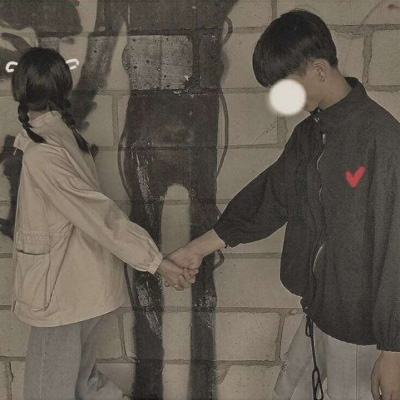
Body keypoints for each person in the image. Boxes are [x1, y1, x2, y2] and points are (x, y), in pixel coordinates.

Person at [168, 10, 400, 400]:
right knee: (289, 391)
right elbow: (268, 198)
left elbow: (397, 250)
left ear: (319, 70)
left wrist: (393, 349)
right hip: (319, 312)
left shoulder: (383, 140)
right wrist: (196, 249)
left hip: (364, 333)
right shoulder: (309, 136)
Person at [11, 47, 196, 400]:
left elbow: (98, 216)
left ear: (19, 89)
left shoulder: (43, 151)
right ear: (62, 87)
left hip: (62, 292)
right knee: (84, 384)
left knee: (46, 392)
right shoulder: (64, 136)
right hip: (77, 287)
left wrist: (155, 262)